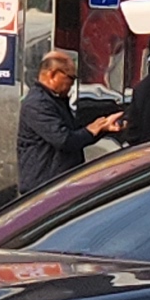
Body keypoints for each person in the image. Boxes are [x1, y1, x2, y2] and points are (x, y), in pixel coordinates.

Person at [17, 47, 123, 199]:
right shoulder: (37, 103)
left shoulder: (56, 100)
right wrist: (91, 130)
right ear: (53, 74)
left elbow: (75, 136)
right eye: (70, 78)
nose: (72, 84)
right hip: (43, 188)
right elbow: (64, 140)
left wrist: (103, 128)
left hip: (59, 183)